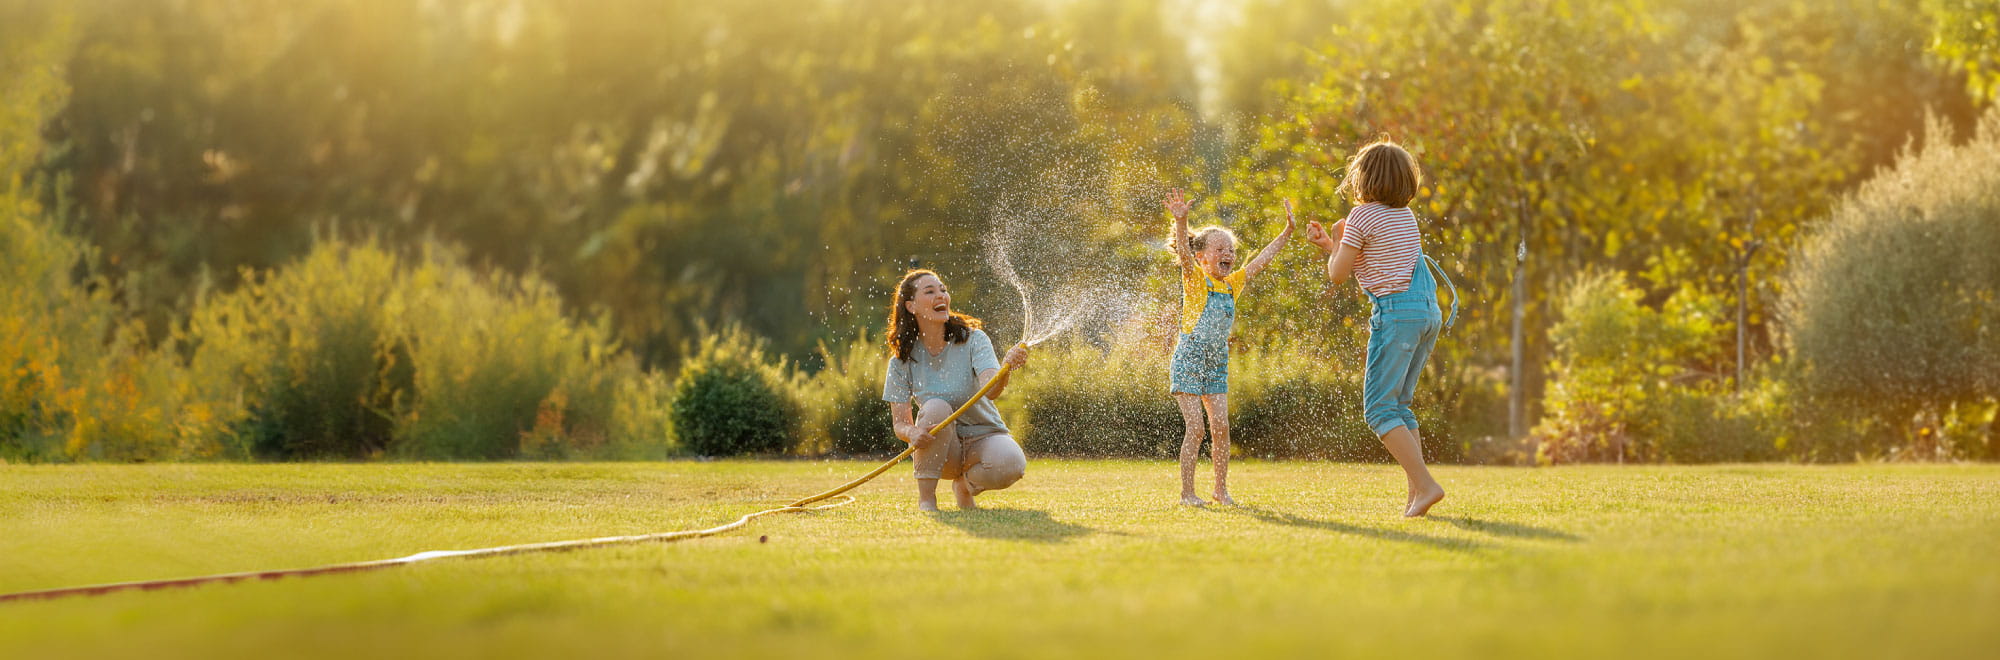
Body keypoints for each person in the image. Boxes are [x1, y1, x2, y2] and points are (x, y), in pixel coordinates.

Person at [1303, 139, 1456, 517]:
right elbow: (1374, 262)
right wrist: (1333, 244)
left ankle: (1426, 485)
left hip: (1396, 316)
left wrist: (1337, 241)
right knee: (1400, 405)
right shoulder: (1405, 217)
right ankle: (1415, 496)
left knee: (1378, 410)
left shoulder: (1361, 217)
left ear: (1363, 178)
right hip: (1426, 313)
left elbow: (1338, 274)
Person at [1162, 189, 1295, 506]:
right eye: (1220, 248)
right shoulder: (1195, 279)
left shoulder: (1233, 283)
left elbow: (1262, 259)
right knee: (1196, 430)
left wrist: (1287, 231)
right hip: (1188, 362)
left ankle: (1220, 490)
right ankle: (1187, 494)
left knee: (1220, 427)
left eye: (1231, 250)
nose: (1229, 253)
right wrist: (1182, 221)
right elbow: (1183, 252)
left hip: (1216, 365)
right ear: (1203, 256)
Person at [881, 269, 1031, 512]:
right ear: (911, 306)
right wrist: (912, 433)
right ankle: (927, 499)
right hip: (942, 450)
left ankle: (965, 486)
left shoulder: (974, 339)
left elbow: (990, 391)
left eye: (943, 289)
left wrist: (1006, 369)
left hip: (984, 436)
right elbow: (899, 424)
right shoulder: (900, 361)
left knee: (1012, 464)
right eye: (930, 291)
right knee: (936, 407)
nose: (941, 295)